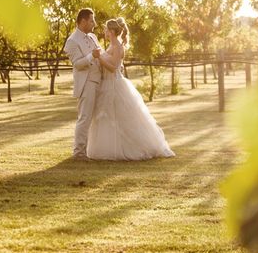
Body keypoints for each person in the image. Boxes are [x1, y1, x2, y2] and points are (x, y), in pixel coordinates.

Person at [87, 18, 175, 161]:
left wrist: (100, 58)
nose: (104, 32)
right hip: (106, 85)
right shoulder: (110, 46)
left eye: (105, 30)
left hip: (115, 85)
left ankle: (133, 147)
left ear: (111, 31)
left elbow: (114, 67)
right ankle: (107, 148)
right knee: (106, 117)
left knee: (122, 117)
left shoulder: (118, 47)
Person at [63, 8, 103, 160]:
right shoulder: (72, 41)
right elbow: (77, 64)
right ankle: (79, 153)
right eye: (92, 20)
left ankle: (94, 149)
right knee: (85, 118)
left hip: (99, 80)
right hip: (86, 83)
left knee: (98, 117)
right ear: (83, 21)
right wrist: (91, 56)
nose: (94, 23)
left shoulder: (92, 36)